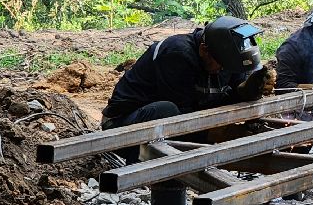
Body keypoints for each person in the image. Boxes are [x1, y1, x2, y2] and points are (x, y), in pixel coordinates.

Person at [100, 15, 276, 130]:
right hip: (122, 123)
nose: (223, 71)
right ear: (204, 50)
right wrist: (223, 134)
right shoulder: (177, 55)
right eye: (221, 65)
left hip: (173, 119)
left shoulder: (226, 58)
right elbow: (186, 119)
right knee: (166, 110)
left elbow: (229, 98)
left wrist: (247, 91)